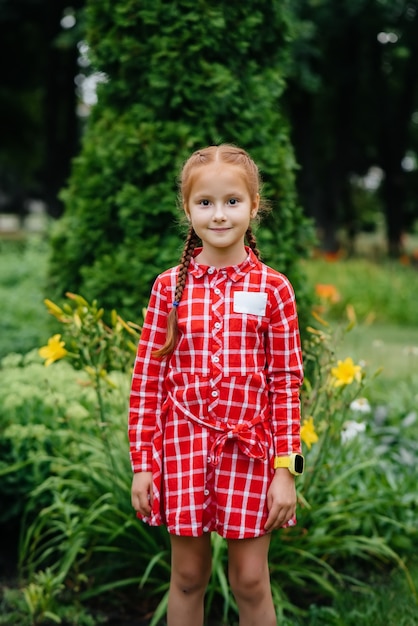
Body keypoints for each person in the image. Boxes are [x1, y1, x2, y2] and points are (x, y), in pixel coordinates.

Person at [129, 144, 304, 626]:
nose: (219, 214)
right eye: (205, 203)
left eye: (232, 201)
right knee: (187, 576)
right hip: (181, 451)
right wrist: (143, 464)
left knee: (250, 580)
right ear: (187, 209)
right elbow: (147, 380)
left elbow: (287, 384)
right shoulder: (169, 288)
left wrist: (288, 470)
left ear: (254, 206)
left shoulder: (273, 288)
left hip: (252, 454)